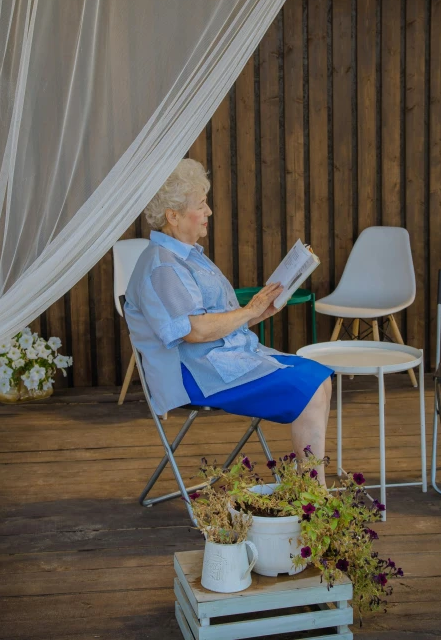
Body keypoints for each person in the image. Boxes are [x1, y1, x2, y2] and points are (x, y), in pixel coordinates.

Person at [125, 159, 333, 483]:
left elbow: (214, 321)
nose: (208, 212)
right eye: (202, 205)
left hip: (222, 361)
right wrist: (250, 310)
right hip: (197, 375)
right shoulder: (163, 266)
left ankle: (309, 487)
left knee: (319, 379)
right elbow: (193, 330)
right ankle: (312, 494)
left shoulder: (188, 254)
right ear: (173, 216)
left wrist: (259, 312)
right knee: (312, 386)